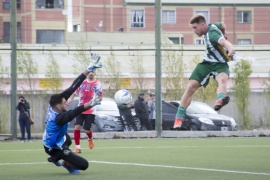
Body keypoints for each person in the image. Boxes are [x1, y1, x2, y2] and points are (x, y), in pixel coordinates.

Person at [42, 53, 102, 174]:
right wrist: (91, 103)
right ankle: (59, 159)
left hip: (60, 138)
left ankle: (63, 155)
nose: (67, 103)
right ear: (59, 106)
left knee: (68, 139)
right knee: (83, 165)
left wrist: (88, 69)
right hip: (52, 147)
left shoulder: (54, 104)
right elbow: (76, 111)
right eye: (65, 103)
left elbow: (74, 86)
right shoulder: (58, 118)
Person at [173, 14, 235, 129]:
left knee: (222, 79)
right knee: (191, 86)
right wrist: (225, 31)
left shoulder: (213, 35)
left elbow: (224, 42)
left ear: (203, 25)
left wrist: (230, 49)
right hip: (207, 63)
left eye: (195, 28)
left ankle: (219, 100)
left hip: (220, 64)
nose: (194, 31)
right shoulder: (213, 25)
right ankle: (178, 119)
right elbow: (222, 24)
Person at [67, 69, 103, 153]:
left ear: (95, 73)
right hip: (80, 108)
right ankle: (77, 148)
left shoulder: (97, 84)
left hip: (90, 110)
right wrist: (70, 99)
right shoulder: (82, 83)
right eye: (90, 72)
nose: (91, 74)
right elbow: (74, 92)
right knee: (77, 127)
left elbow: (100, 98)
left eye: (93, 72)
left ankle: (90, 138)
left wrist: (94, 102)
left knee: (86, 130)